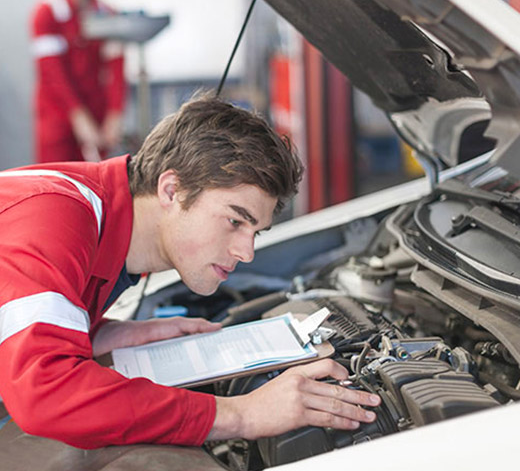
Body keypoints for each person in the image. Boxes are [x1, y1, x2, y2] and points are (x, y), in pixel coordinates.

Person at [0, 95, 381, 449]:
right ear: (171, 190)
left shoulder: (99, 223)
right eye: (234, 221)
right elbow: (45, 392)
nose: (246, 252)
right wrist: (240, 415)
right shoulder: (54, 217)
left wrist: (102, 334)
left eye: (256, 232)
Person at [30, 0, 125, 163]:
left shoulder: (107, 15)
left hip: (96, 113)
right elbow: (52, 74)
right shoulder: (48, 12)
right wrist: (79, 118)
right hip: (57, 117)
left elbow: (116, 69)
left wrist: (114, 114)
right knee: (56, 181)